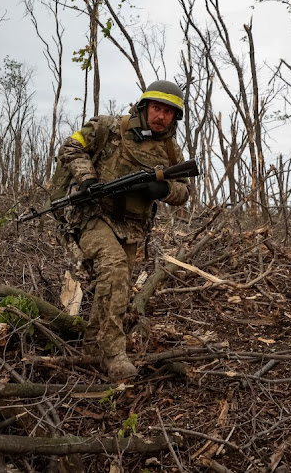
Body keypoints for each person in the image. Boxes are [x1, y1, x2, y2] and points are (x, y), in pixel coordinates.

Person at [57, 80, 192, 381]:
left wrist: (162, 188)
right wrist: (86, 178)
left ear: (175, 118)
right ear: (145, 107)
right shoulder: (108, 127)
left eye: (169, 112)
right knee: (115, 270)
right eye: (157, 108)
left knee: (115, 284)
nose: (161, 116)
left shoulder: (171, 150)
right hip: (94, 214)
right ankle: (114, 353)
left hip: (132, 228)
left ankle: (92, 347)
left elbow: (184, 192)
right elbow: (71, 146)